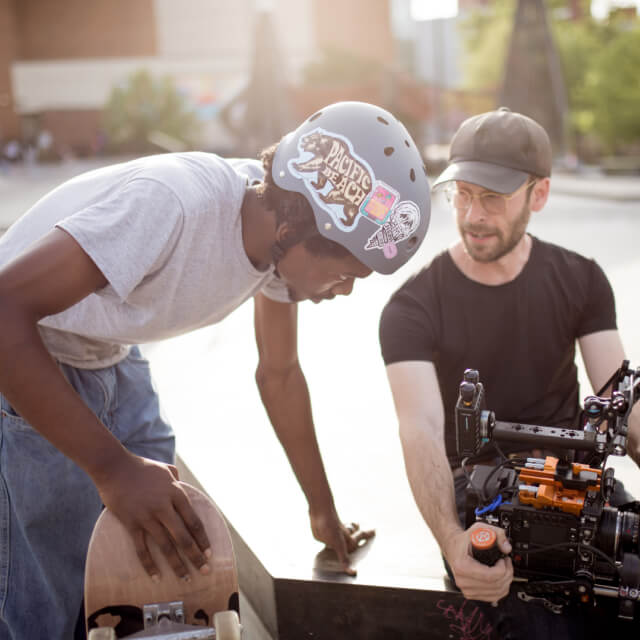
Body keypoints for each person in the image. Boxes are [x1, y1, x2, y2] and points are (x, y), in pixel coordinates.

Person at [0, 101, 430, 640]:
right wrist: (113, 469)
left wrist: (322, 510)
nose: (341, 292)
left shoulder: (276, 243)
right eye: (344, 275)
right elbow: (5, 311)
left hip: (110, 354)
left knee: (160, 572)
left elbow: (280, 374)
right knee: (47, 600)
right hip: (26, 362)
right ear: (294, 227)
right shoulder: (173, 205)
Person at [379, 107, 640, 637]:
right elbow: (421, 430)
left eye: (492, 198)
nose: (473, 215)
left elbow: (624, 406)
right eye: (463, 195)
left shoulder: (582, 280)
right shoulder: (411, 307)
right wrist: (453, 542)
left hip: (577, 484)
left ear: (538, 195)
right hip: (481, 500)